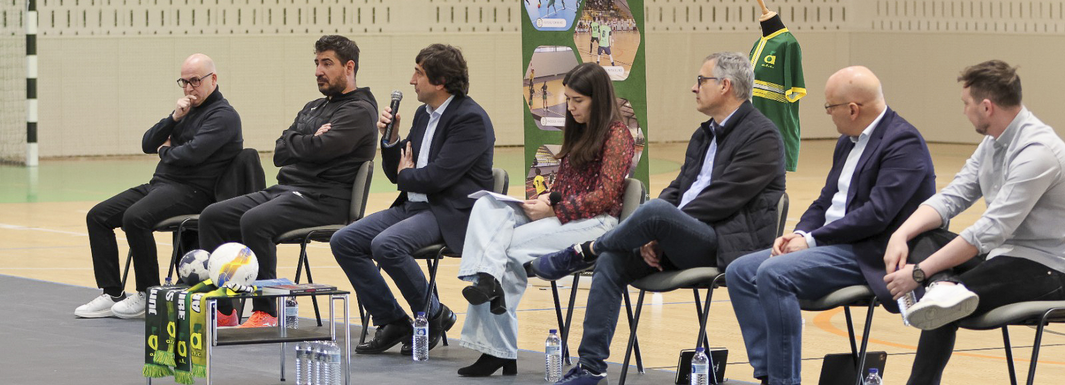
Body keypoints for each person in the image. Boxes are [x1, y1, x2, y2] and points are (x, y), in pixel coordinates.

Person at [528, 52, 786, 384]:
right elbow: (678, 188)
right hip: (679, 237)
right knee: (612, 260)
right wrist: (656, 232)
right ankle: (591, 367)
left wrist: (662, 225)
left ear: (725, 86)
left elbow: (722, 199)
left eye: (701, 81)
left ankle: (583, 251)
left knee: (656, 213)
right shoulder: (704, 133)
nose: (694, 88)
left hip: (725, 243)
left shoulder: (762, 136)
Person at [724, 66, 936, 385]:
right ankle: (770, 374)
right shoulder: (847, 141)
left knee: (772, 273)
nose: (828, 114)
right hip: (831, 244)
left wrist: (811, 242)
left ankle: (785, 381)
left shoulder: (903, 142)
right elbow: (825, 201)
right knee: (740, 271)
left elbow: (876, 215)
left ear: (853, 109)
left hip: (869, 252)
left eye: (829, 107)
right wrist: (798, 233)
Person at [882, 60, 1065, 385]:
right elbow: (953, 196)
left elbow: (990, 230)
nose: (964, 111)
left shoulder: (1038, 152)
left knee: (942, 306)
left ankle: (941, 290)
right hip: (1004, 257)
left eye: (966, 104)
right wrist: (901, 233)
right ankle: (944, 286)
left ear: (986, 106)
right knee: (925, 239)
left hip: (1048, 269)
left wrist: (921, 272)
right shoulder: (994, 141)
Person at [455, 63, 635, 377]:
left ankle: (496, 348)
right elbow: (564, 187)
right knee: (486, 205)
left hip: (597, 224)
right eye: (569, 99)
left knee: (504, 252)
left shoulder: (617, 135)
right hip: (564, 216)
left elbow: (606, 196)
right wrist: (545, 199)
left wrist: (555, 210)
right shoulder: (579, 128)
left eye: (578, 100)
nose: (572, 106)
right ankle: (486, 278)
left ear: (599, 99)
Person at [196, 35, 378, 327]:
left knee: (255, 221)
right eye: (317, 63)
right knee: (213, 216)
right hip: (287, 192)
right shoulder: (314, 107)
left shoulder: (359, 110)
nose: (318, 70)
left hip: (325, 200)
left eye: (327, 63)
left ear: (349, 67)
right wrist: (307, 139)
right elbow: (280, 151)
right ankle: (225, 309)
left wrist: (303, 142)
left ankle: (266, 311)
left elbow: (321, 149)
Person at [330, 44, 495, 356]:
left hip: (449, 211)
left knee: (386, 245)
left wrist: (408, 173)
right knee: (344, 240)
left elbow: (436, 178)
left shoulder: (470, 119)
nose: (411, 80)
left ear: (441, 81)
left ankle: (430, 316)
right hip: (415, 206)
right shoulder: (423, 114)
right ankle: (394, 320)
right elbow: (398, 174)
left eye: (418, 73)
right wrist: (390, 140)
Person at [75, 54, 242, 319]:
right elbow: (146, 143)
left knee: (136, 218)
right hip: (161, 185)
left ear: (213, 79)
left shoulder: (224, 116)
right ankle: (112, 292)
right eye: (184, 82)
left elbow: (191, 155)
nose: (189, 88)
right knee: (98, 216)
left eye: (195, 81)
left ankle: (148, 293)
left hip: (194, 192)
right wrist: (174, 118)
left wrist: (165, 150)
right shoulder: (186, 111)